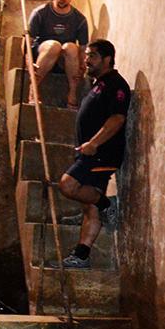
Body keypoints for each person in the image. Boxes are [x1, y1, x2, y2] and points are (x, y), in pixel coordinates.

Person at [56, 39, 128, 269]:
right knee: (90, 207)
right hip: (89, 154)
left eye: (92, 56)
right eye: (86, 55)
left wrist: (94, 143)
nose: (87, 60)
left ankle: (107, 203)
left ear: (107, 59)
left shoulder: (116, 84)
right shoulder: (99, 84)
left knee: (67, 186)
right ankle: (82, 255)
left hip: (100, 153)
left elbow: (117, 118)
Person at [27, 0, 88, 108]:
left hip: (65, 62)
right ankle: (33, 90)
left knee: (71, 47)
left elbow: (83, 49)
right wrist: (28, 61)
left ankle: (72, 94)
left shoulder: (80, 19)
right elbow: (26, 41)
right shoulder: (40, 13)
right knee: (54, 45)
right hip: (43, 56)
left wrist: (82, 66)